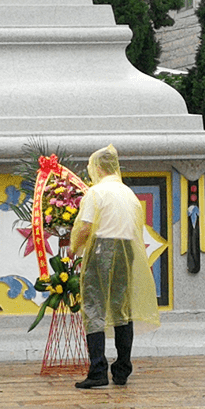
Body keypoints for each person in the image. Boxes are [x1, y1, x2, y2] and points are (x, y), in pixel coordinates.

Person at [70, 145, 159, 389]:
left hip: (102, 250)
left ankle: (98, 370)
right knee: (121, 309)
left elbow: (86, 227)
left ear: (98, 168)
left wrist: (73, 248)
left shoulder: (96, 192)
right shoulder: (129, 193)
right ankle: (122, 370)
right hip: (127, 251)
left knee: (94, 307)